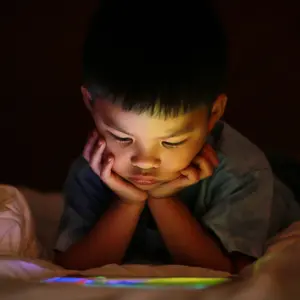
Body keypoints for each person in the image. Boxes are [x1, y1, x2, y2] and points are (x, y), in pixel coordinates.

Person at [54, 0, 300, 272]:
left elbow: (226, 269)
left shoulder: (245, 171)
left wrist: (162, 200)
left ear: (214, 113)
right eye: (122, 138)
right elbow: (72, 265)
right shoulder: (96, 167)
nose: (145, 161)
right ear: (90, 102)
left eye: (172, 142)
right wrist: (128, 203)